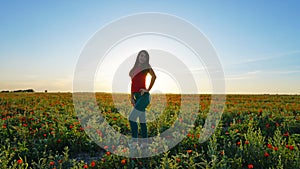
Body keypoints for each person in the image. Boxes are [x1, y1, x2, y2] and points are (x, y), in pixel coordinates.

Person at [128, 50, 156, 147]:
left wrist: (147, 90)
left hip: (144, 97)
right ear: (138, 57)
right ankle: (145, 142)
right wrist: (132, 97)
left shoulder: (147, 67)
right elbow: (133, 84)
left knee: (131, 118)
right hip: (136, 97)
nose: (142, 57)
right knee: (142, 120)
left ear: (146, 59)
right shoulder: (134, 69)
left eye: (145, 56)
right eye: (141, 55)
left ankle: (135, 142)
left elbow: (154, 77)